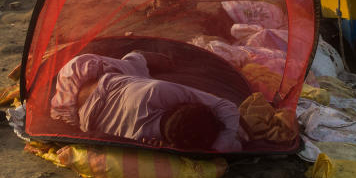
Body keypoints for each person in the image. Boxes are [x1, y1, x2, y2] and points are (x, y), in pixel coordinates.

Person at [50, 51, 243, 151]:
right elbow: (227, 109)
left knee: (137, 73)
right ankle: (138, 55)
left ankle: (137, 57)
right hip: (87, 83)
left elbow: (225, 106)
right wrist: (222, 143)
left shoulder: (157, 93)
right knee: (135, 68)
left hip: (73, 77)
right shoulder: (146, 139)